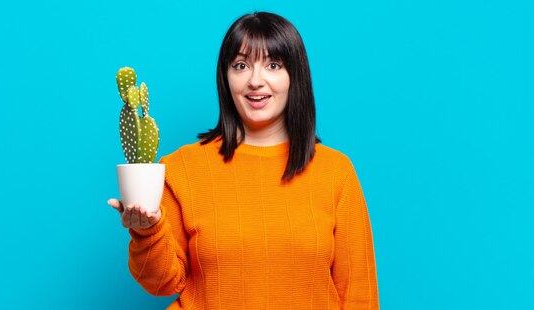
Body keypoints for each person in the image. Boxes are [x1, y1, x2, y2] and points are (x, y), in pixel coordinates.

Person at [108, 12, 379, 309]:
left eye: (273, 65)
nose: (255, 81)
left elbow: (359, 296)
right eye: (241, 65)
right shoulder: (181, 168)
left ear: (295, 76)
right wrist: (148, 231)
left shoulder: (335, 172)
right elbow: (161, 283)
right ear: (225, 77)